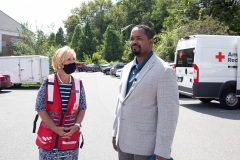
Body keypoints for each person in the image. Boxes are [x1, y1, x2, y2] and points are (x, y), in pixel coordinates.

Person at [112, 25, 179, 160]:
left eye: (139, 38)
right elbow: (120, 104)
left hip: (146, 148)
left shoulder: (164, 71)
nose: (134, 42)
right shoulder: (126, 69)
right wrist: (115, 133)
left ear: (151, 41)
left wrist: (163, 151)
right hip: (123, 143)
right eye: (131, 39)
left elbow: (168, 116)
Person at [35, 46, 86, 160]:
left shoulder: (78, 83)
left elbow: (83, 108)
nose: (73, 62)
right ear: (59, 63)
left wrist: (77, 126)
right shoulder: (48, 82)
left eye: (73, 59)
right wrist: (54, 128)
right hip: (49, 139)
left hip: (70, 139)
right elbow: (39, 107)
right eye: (69, 59)